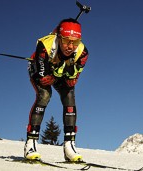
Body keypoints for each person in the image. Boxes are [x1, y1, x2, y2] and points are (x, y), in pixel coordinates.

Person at [24, 18, 89, 162]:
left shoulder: (82, 53)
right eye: (66, 41)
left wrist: (68, 72)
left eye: (75, 42)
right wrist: (59, 72)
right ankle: (31, 143)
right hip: (39, 68)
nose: (70, 46)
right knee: (45, 95)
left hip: (58, 72)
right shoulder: (45, 45)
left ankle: (69, 146)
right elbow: (43, 77)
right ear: (59, 37)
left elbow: (72, 78)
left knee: (69, 96)